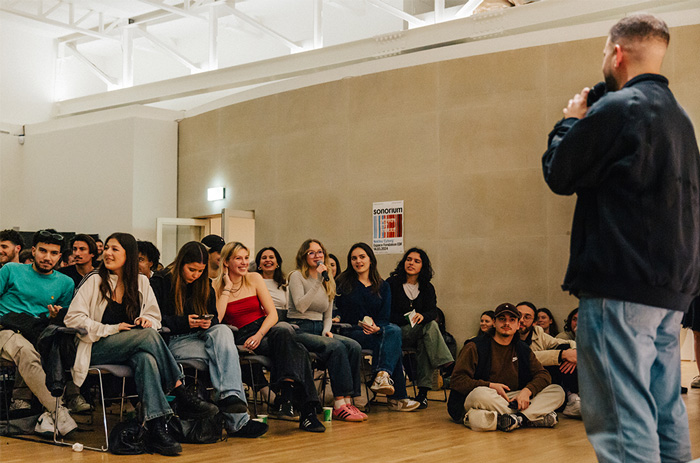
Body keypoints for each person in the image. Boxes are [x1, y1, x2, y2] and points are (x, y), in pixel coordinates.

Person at [542, 14, 698, 462]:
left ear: (616, 53)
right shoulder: (680, 119)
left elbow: (560, 172)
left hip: (621, 287)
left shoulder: (620, 107)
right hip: (671, 290)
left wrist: (570, 121)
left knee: (620, 417)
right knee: (664, 408)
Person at [65, 233, 219, 456]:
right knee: (147, 337)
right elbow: (73, 319)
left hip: (131, 347)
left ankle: (156, 428)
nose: (107, 252)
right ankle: (179, 390)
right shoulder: (94, 280)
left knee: (146, 357)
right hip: (96, 348)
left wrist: (148, 320)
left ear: (129, 255)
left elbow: (155, 318)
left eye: (114, 249)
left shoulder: (142, 282)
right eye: (106, 248)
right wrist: (112, 328)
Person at [150, 241, 268, 438]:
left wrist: (207, 321)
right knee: (225, 354)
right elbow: (155, 318)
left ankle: (229, 397)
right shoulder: (161, 281)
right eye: (191, 270)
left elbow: (214, 316)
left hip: (201, 336)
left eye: (200, 271)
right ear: (181, 264)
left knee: (222, 331)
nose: (195, 275)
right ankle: (238, 421)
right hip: (174, 340)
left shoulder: (203, 283)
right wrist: (185, 322)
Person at [214, 241, 325, 432]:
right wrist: (226, 287)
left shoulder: (254, 278)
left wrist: (259, 335)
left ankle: (287, 396)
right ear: (226, 262)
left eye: (246, 258)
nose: (243, 263)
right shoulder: (216, 285)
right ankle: (307, 412)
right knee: (300, 350)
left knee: (283, 329)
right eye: (238, 258)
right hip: (240, 335)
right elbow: (218, 317)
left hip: (264, 330)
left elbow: (272, 314)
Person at [0, 229, 77, 436]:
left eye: (53, 253)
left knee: (61, 345)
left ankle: (51, 410)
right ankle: (58, 410)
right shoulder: (11, 270)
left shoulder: (65, 283)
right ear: (33, 251)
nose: (47, 257)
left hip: (40, 332)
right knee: (26, 351)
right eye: (43, 251)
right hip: (6, 329)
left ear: (60, 256)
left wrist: (55, 317)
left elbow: (65, 318)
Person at [447, 303, 564, 432]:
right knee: (480, 393)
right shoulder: (475, 346)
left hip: (513, 397)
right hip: (484, 396)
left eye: (512, 320)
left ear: (518, 325)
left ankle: (513, 419)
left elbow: (543, 375)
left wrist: (527, 391)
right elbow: (457, 380)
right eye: (502, 319)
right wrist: (490, 385)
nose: (507, 323)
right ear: (494, 323)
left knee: (557, 391)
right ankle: (531, 417)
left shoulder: (523, 349)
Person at [335, 242, 420, 412]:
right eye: (354, 258)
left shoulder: (383, 286)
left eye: (362, 257)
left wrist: (378, 329)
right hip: (351, 331)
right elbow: (337, 311)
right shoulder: (343, 283)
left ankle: (383, 376)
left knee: (392, 333)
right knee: (393, 337)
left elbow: (384, 317)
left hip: (375, 332)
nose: (358, 261)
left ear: (370, 260)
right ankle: (397, 397)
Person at [287, 239, 365, 422]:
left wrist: (327, 331)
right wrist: (317, 282)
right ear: (303, 256)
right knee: (336, 347)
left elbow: (327, 315)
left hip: (319, 329)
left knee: (354, 346)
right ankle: (339, 404)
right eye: (312, 252)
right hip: (300, 328)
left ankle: (348, 400)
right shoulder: (297, 276)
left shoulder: (328, 280)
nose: (317, 256)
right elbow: (301, 306)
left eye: (320, 252)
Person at [386, 248, 453, 409]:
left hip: (419, 333)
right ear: (403, 262)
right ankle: (448, 365)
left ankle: (422, 395)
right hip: (396, 332)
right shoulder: (392, 283)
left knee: (426, 338)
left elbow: (432, 311)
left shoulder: (427, 287)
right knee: (430, 327)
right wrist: (406, 318)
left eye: (417, 261)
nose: (411, 263)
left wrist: (423, 316)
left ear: (423, 266)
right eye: (409, 259)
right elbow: (386, 313)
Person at [516, 302, 579, 418]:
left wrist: (574, 351)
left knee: (566, 350)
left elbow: (568, 343)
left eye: (527, 317)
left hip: (537, 381)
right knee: (563, 353)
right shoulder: (507, 334)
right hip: (515, 381)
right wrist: (561, 355)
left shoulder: (538, 334)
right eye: (518, 315)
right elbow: (523, 357)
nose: (521, 320)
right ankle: (526, 415)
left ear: (534, 322)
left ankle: (573, 397)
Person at [254, 246, 288, 320]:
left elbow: (288, 308)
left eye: (271, 257)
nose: (268, 260)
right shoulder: (252, 282)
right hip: (259, 319)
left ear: (277, 263)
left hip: (280, 320)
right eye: (264, 258)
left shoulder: (284, 283)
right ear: (259, 264)